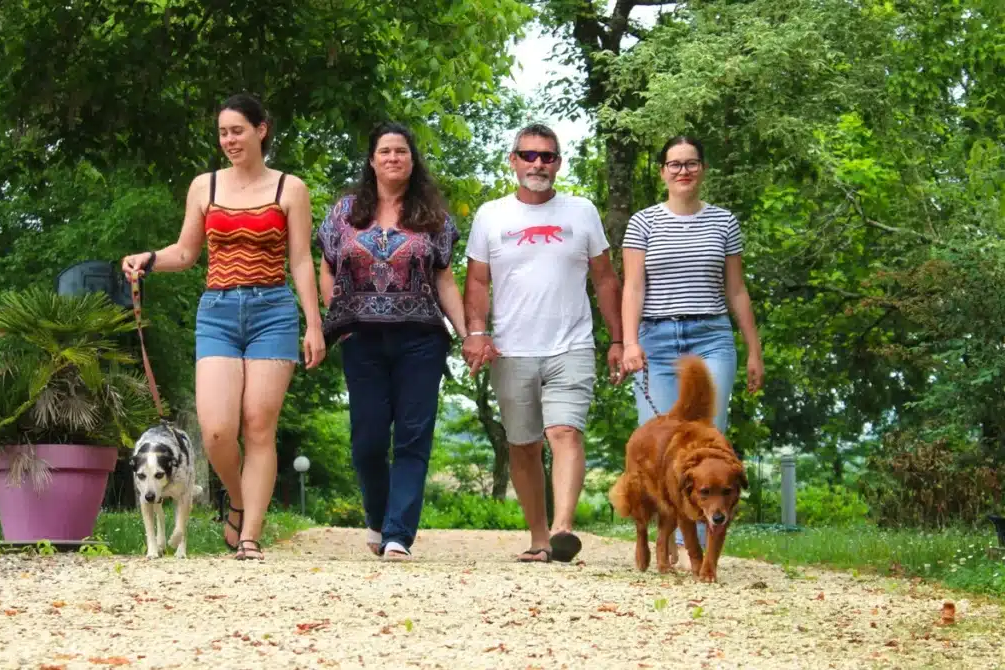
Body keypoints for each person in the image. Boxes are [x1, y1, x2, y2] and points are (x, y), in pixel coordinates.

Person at [122, 93, 325, 561]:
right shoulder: (204, 186)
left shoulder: (289, 188)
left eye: (237, 130)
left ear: (261, 130)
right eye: (223, 132)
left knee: (258, 424)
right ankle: (239, 499)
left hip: (272, 309)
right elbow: (186, 253)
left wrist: (313, 324)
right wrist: (149, 260)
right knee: (215, 431)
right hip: (216, 309)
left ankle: (249, 535)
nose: (229, 140)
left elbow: (299, 260)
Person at [462, 123, 624, 564]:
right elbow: (477, 281)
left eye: (547, 156)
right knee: (524, 444)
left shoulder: (582, 212)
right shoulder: (491, 215)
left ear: (558, 163)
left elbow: (605, 278)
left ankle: (563, 528)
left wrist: (619, 339)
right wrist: (476, 333)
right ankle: (538, 537)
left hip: (571, 344)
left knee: (565, 430)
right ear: (513, 160)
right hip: (511, 349)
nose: (538, 164)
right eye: (529, 155)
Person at [316, 121, 467, 561]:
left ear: (412, 160)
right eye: (385, 151)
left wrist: (469, 334)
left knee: (413, 437)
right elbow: (325, 264)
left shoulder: (432, 217)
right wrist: (335, 310)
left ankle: (399, 533)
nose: (393, 158)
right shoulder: (344, 211)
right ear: (372, 160)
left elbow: (444, 279)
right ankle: (379, 517)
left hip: (421, 338)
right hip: (360, 337)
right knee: (366, 441)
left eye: (401, 151)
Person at [620, 134, 763, 553]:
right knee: (661, 443)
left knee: (708, 440)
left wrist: (754, 350)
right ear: (663, 171)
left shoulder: (724, 222)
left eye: (691, 163)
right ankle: (664, 537)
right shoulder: (644, 222)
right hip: (657, 339)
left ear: (702, 169)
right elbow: (633, 287)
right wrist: (630, 343)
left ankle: (702, 544)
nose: (683, 171)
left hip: (711, 338)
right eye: (675, 164)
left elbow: (736, 290)